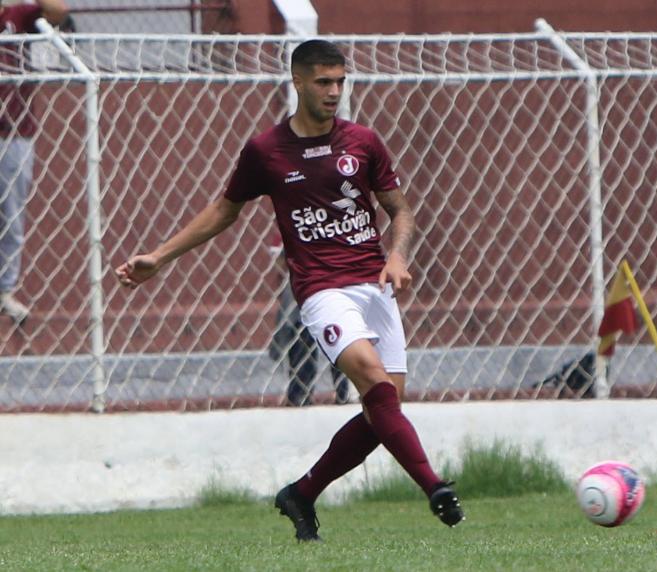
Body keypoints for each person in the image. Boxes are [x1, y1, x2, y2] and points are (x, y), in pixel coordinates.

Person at [115, 39, 464, 541]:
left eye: (340, 81)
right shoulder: (266, 151)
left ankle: (301, 493)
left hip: (375, 285)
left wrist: (398, 253)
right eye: (323, 82)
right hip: (322, 290)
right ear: (297, 81)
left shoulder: (363, 141)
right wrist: (160, 256)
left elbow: (400, 209)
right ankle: (434, 487)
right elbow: (224, 209)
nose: (334, 91)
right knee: (375, 382)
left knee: (382, 411)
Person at [0, 0, 69, 323]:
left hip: (14, 130)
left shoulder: (17, 14)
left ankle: (4, 290)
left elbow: (59, 11)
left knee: (11, 215)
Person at [267, 231, 350, 406]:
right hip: (304, 287)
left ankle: (343, 390)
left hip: (329, 284)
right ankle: (300, 393)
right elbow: (280, 260)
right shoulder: (289, 223)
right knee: (301, 331)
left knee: (339, 334)